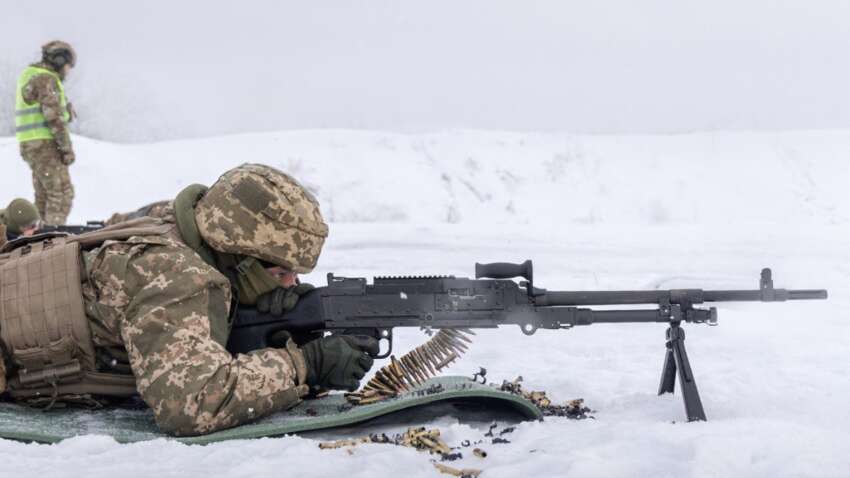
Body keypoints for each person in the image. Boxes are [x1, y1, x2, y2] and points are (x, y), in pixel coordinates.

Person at [0, 164, 376, 436]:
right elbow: (192, 405)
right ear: (240, 258)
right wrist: (303, 364)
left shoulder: (170, 220)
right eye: (280, 273)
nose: (291, 283)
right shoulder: (179, 277)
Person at [15, 40, 77, 226]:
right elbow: (53, 117)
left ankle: (37, 240)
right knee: (61, 193)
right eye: (68, 65)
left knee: (43, 196)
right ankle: (52, 242)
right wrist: (66, 148)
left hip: (30, 144)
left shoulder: (30, 75)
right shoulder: (45, 78)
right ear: (59, 60)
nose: (68, 71)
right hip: (44, 145)